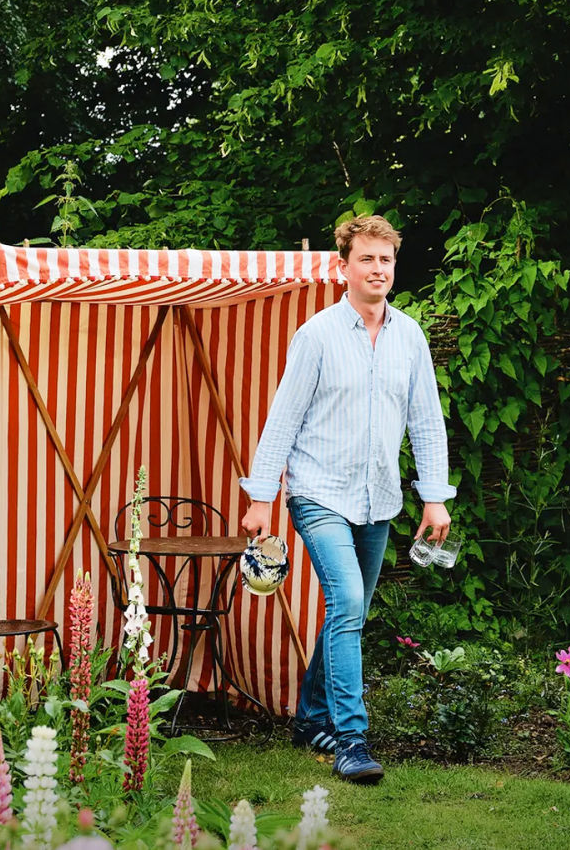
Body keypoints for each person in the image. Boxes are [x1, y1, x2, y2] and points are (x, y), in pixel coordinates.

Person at [238, 214, 455, 784]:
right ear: (344, 268)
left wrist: (434, 497)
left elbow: (427, 423)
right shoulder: (317, 336)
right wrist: (262, 497)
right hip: (318, 492)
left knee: (347, 609)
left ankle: (310, 717)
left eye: (386, 259)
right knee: (350, 603)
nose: (377, 269)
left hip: (378, 499)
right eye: (367, 259)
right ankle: (351, 740)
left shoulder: (410, 337)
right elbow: (282, 421)